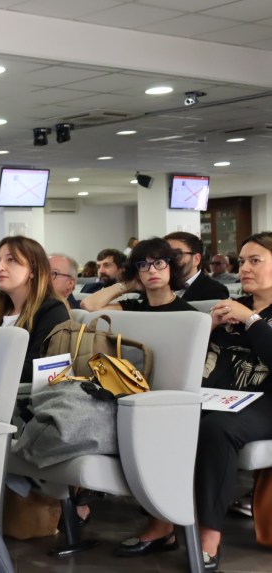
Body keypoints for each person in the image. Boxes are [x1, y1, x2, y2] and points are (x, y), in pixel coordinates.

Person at [115, 232, 272, 571]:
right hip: (216, 395)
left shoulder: (244, 312)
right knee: (162, 414)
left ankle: (209, 535)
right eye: (242, 261)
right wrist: (208, 327)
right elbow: (198, 358)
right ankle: (162, 521)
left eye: (255, 261)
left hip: (264, 400)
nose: (244, 268)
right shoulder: (230, 306)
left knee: (218, 428)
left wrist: (251, 320)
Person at [0, 236, 70, 384]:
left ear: (33, 270)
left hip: (21, 395)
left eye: (10, 260)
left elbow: (34, 370)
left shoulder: (52, 311)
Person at [81, 238, 195, 313]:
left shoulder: (188, 313)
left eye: (159, 263)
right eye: (143, 265)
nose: (152, 270)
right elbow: (89, 305)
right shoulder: (133, 307)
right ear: (137, 273)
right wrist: (129, 285)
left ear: (171, 267)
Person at [164, 231, 229, 301]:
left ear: (196, 259)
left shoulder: (214, 291)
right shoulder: (159, 287)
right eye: (164, 255)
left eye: (176, 254)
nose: (169, 260)